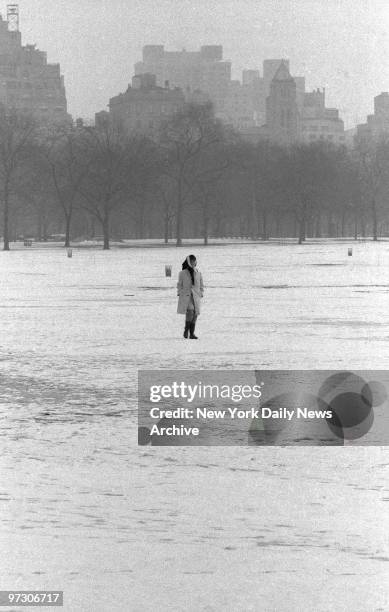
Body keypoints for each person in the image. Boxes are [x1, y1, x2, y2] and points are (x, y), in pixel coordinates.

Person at [177, 254, 204, 339]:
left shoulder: (198, 272)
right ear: (188, 262)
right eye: (191, 261)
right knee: (190, 312)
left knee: (195, 314)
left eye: (194, 261)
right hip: (187, 296)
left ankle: (191, 333)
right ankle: (186, 330)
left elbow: (201, 285)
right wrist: (180, 293)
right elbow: (179, 285)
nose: (193, 263)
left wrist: (201, 293)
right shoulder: (182, 273)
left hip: (196, 296)